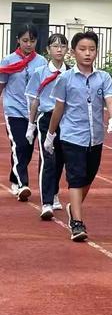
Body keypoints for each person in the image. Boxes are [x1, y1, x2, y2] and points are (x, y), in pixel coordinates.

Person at [44, 31, 112, 242]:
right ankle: (77, 222)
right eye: (82, 49)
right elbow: (58, 109)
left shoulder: (103, 77)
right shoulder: (65, 79)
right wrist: (51, 134)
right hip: (71, 136)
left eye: (92, 49)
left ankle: (72, 207)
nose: (87, 53)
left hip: (95, 137)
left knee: (88, 176)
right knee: (75, 178)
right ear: (73, 52)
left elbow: (110, 99)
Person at [0, 24, 47, 201]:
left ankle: (14, 176)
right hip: (14, 110)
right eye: (25, 40)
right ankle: (22, 184)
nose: (28, 44)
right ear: (18, 40)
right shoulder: (8, 61)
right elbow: (1, 84)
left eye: (32, 41)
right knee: (19, 145)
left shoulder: (41, 62)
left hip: (34, 112)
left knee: (27, 148)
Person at [25, 33, 69, 219]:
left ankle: (54, 191)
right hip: (46, 118)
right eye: (55, 46)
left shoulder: (70, 72)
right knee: (48, 158)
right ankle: (47, 202)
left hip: (66, 120)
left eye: (63, 46)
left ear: (68, 50)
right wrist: (31, 124)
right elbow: (34, 100)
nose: (59, 49)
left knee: (61, 159)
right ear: (48, 50)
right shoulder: (40, 73)